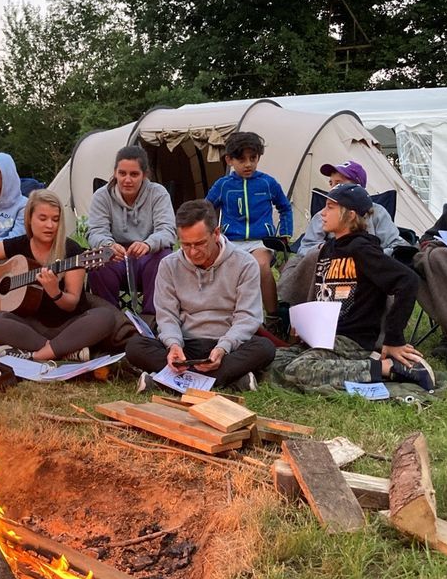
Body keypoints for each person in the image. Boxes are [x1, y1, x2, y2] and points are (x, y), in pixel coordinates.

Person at [271, 184, 436, 393]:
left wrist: (394, 338)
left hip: (353, 341)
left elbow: (408, 281)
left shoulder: (363, 249)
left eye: (330, 207)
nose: (322, 213)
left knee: (297, 370)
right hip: (327, 337)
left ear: (350, 215)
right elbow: (324, 295)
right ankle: (364, 366)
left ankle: (384, 368)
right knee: (274, 357)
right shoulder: (328, 249)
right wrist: (306, 326)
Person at [125, 199, 277, 391]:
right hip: (185, 345)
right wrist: (173, 345)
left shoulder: (244, 263)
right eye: (186, 245)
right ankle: (229, 380)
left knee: (265, 348)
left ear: (216, 233)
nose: (193, 252)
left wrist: (223, 347)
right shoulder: (169, 265)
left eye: (200, 243)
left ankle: (169, 381)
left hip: (228, 345)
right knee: (135, 346)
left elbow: (247, 317)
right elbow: (167, 315)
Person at [0, 190, 118, 363]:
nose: (50, 225)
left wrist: (55, 292)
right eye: (43, 219)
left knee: (105, 317)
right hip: (28, 327)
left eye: (55, 219)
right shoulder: (18, 244)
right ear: (29, 219)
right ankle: (63, 351)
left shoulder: (72, 252)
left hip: (67, 326)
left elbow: (71, 304)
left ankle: (35, 355)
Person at [206, 131, 293, 314]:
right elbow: (206, 209)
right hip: (231, 242)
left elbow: (284, 207)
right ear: (229, 160)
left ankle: (273, 317)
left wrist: (284, 233)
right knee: (225, 271)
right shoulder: (223, 185)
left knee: (260, 266)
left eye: (253, 158)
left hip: (261, 242)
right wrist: (210, 233)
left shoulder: (268, 183)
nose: (248, 164)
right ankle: (227, 315)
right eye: (242, 160)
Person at [86, 145, 176, 315]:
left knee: (164, 259)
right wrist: (108, 245)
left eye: (134, 174)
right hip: (116, 255)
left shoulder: (158, 194)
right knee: (97, 263)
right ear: (115, 173)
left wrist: (149, 244)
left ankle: (153, 319)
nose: (127, 180)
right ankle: (109, 320)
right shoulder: (101, 196)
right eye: (122, 173)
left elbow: (167, 230)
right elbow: (96, 232)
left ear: (144, 175)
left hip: (148, 254)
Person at [296, 160, 411, 258]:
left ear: (357, 187)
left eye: (338, 183)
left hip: (370, 269)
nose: (332, 189)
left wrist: (369, 256)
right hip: (331, 269)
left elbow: (398, 246)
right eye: (331, 183)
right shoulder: (325, 214)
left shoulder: (377, 212)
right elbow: (305, 249)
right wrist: (328, 251)